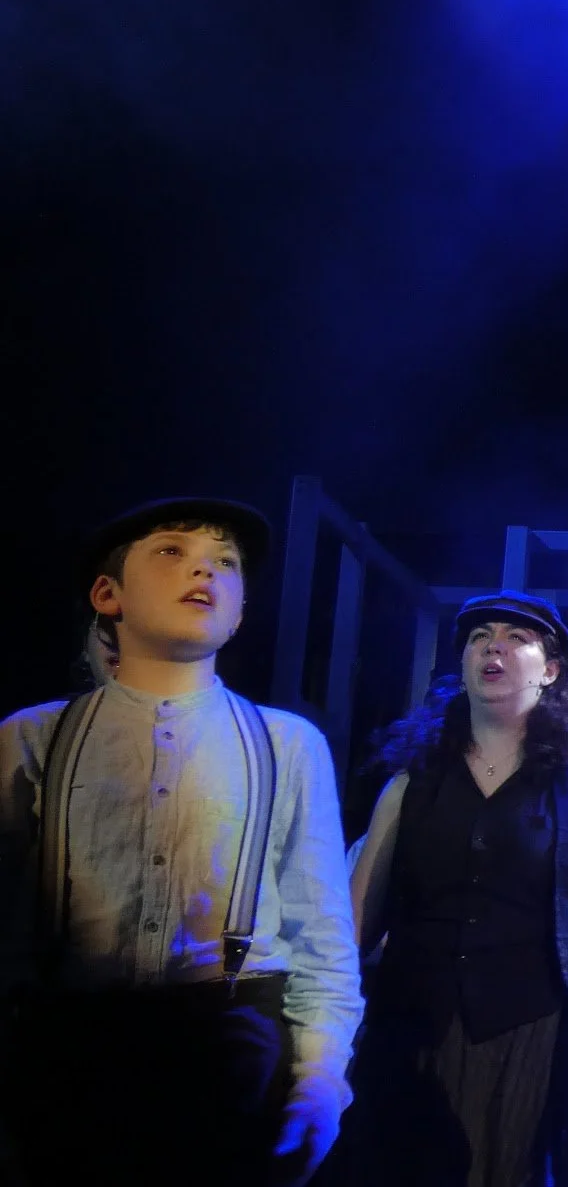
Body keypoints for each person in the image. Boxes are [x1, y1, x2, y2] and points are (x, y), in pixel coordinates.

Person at [0, 497, 362, 1184]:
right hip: (71, 1048)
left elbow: (321, 932)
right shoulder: (33, 737)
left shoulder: (287, 743)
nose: (204, 569)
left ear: (240, 612)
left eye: (225, 562)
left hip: (230, 1046)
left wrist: (321, 1078)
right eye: (172, 550)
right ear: (108, 594)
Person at [347, 590, 568, 1185]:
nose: (492, 647)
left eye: (515, 637)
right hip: (416, 1034)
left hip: (537, 1032)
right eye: (480, 637)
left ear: (550, 671)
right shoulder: (413, 781)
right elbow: (354, 924)